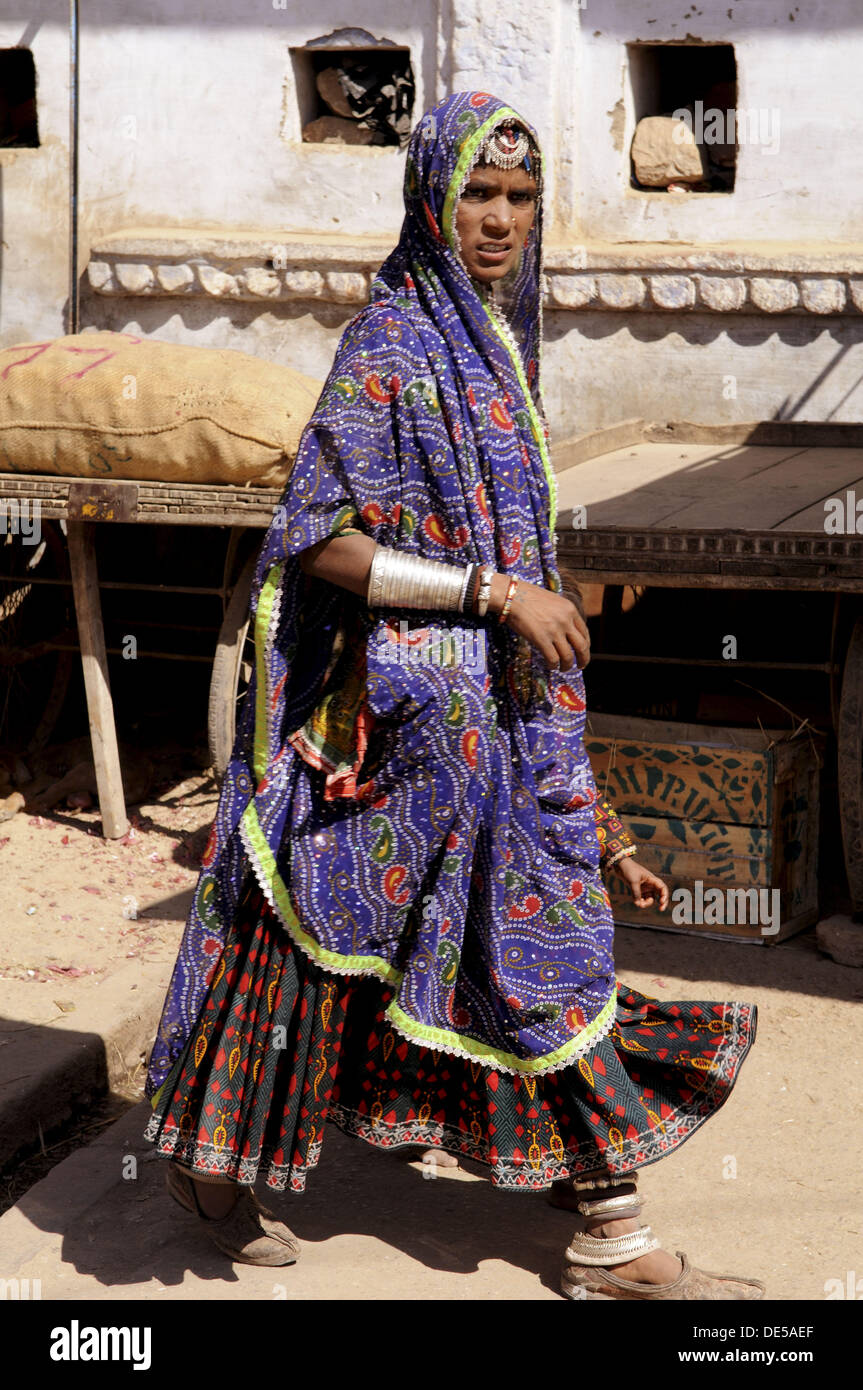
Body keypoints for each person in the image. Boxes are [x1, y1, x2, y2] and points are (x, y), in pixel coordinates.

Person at [143, 91, 763, 1301]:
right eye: (477, 193)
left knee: (532, 949)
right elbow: (316, 531)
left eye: (521, 199)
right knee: (313, 947)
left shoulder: (500, 342)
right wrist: (488, 593)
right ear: (430, 198)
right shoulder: (391, 340)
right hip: (385, 729)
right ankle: (210, 1165)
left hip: (497, 728)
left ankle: (610, 1235)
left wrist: (602, 822)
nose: (500, 220)